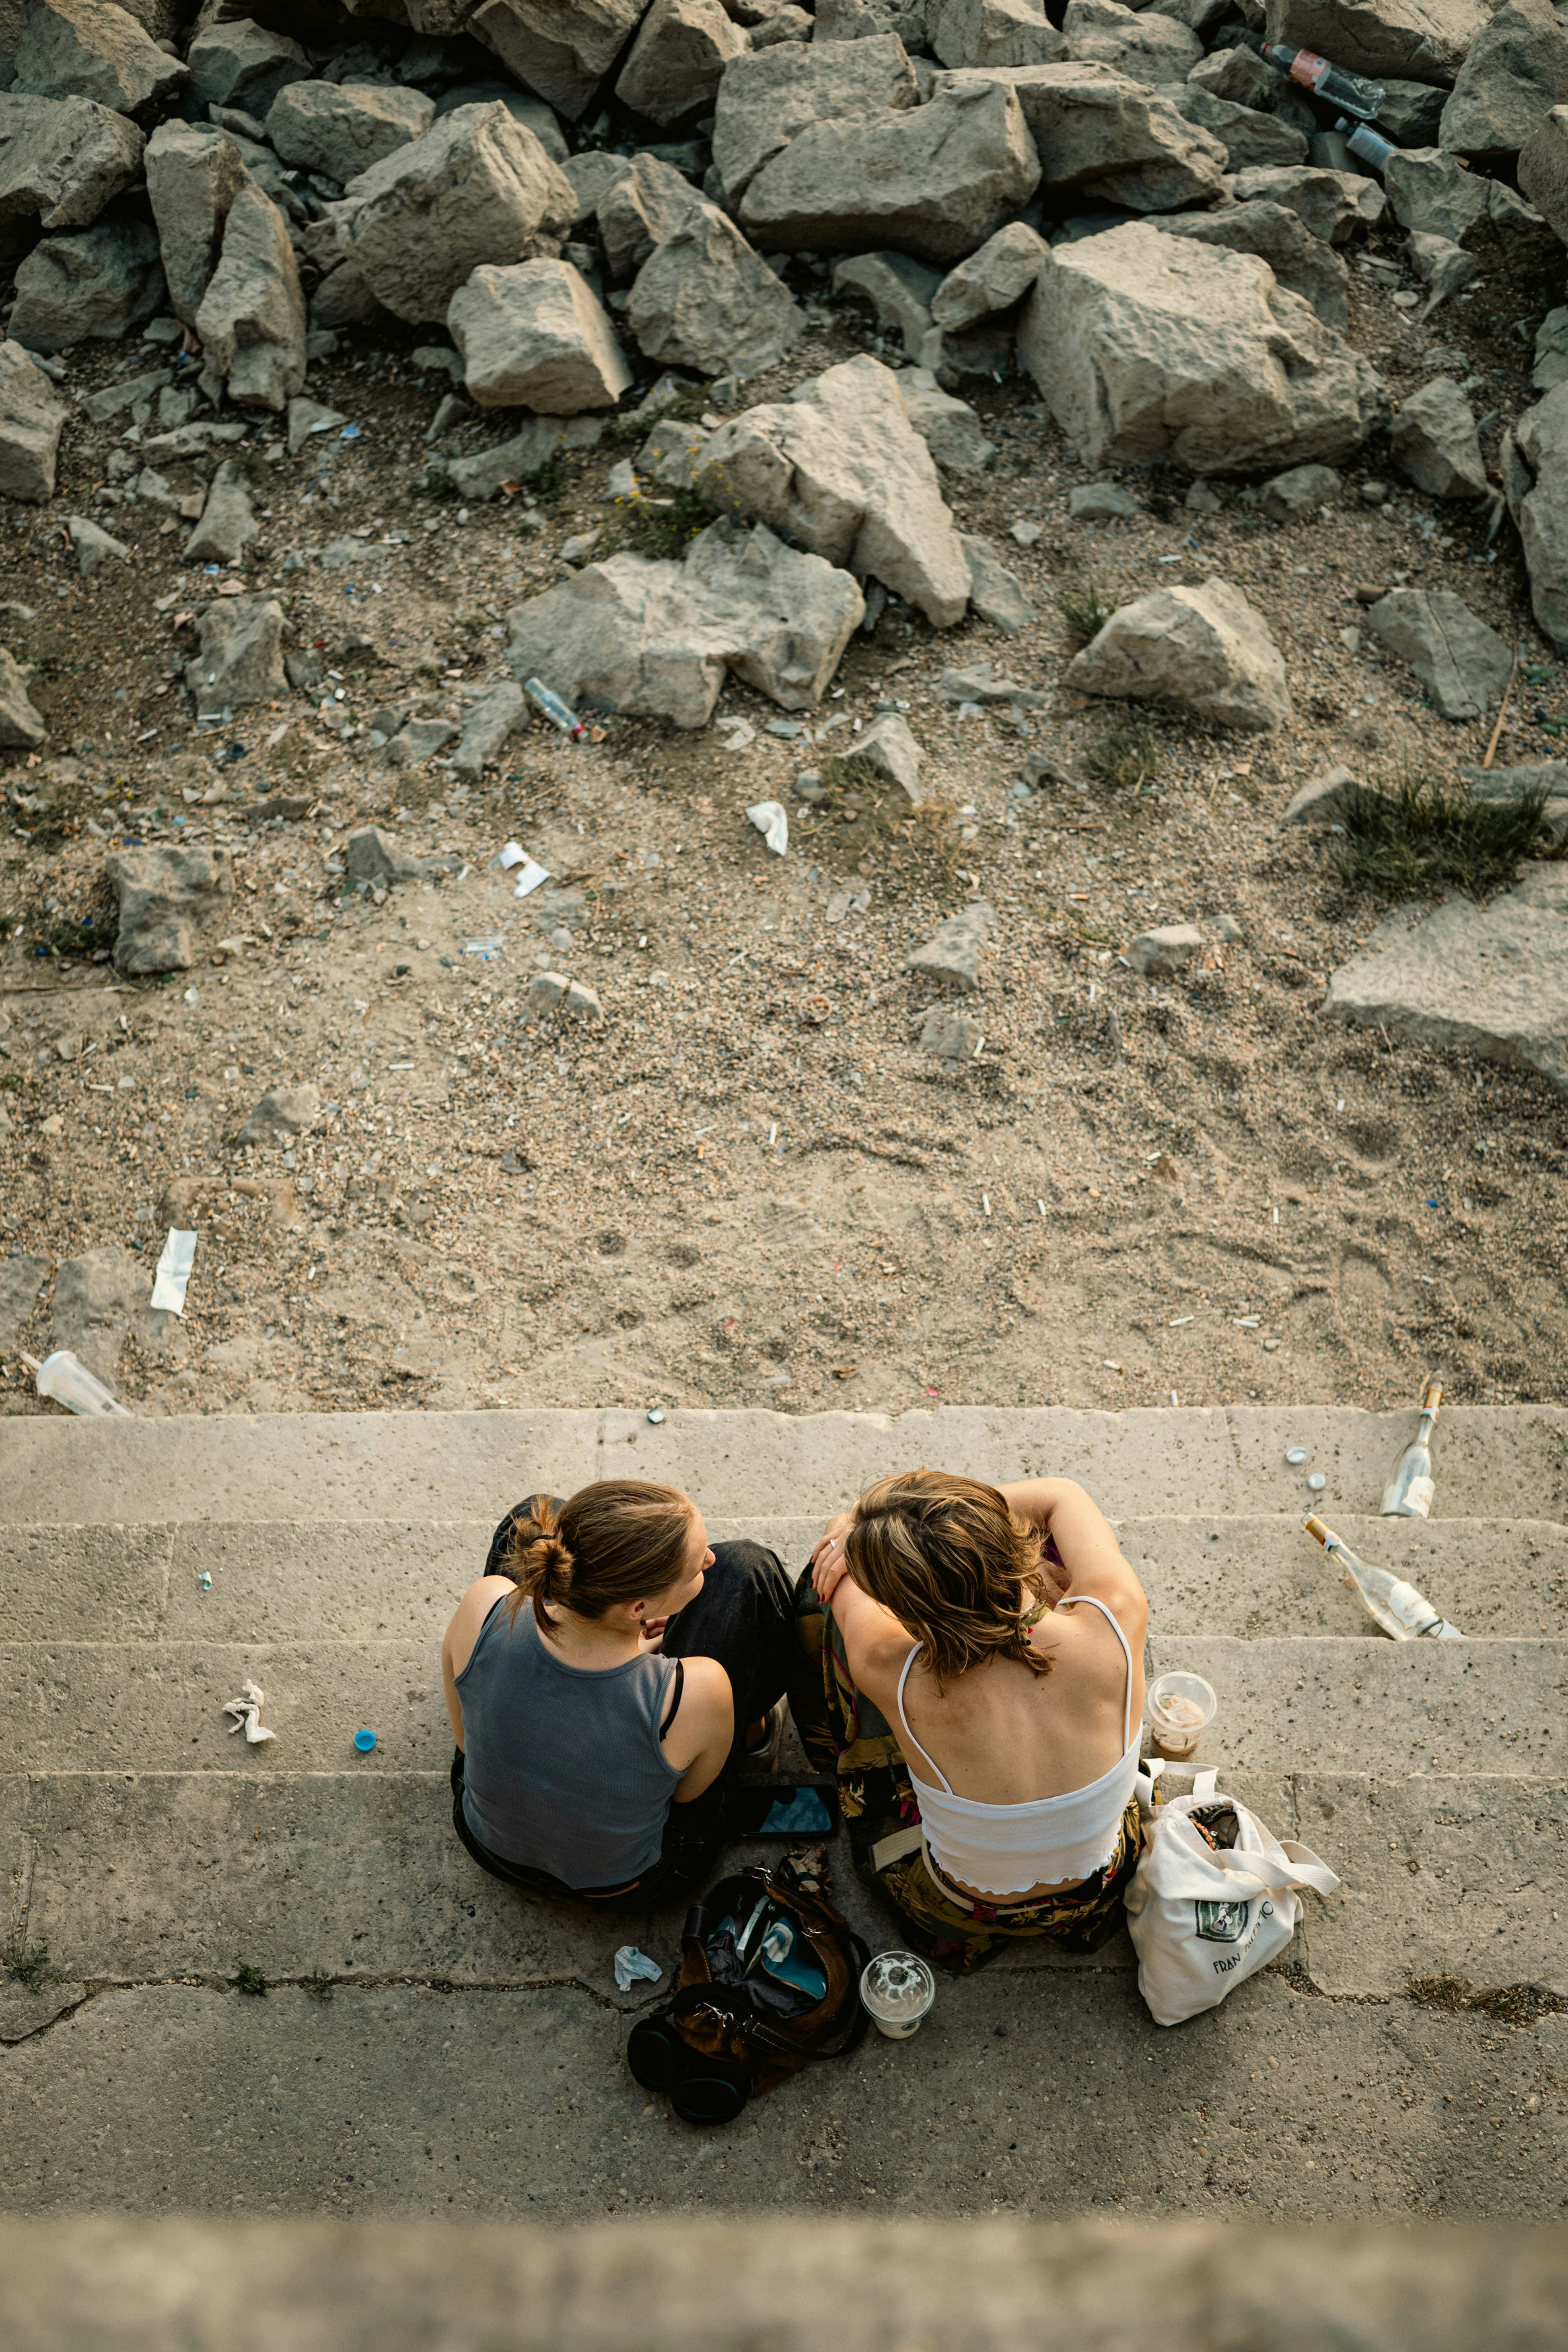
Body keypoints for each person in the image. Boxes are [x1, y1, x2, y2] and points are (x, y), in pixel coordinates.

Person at [798, 1469, 1148, 1972]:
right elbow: (1062, 1495)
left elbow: (838, 1576)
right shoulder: (1116, 1615)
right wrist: (955, 1522)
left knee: (819, 1596)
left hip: (963, 1903)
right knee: (1088, 1588)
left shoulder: (886, 1667)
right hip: (1098, 1882)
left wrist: (848, 1526)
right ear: (1007, 1542)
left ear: (909, 1606)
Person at [442, 1480, 798, 1905]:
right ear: (638, 1610)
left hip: (488, 1847)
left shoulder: (484, 1605)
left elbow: (465, 1737)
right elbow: (685, 1796)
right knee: (746, 1567)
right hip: (631, 1884)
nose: (710, 1559)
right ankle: (755, 1737)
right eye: (697, 1566)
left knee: (538, 1510)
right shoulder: (700, 1689)